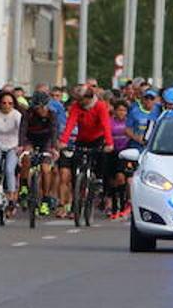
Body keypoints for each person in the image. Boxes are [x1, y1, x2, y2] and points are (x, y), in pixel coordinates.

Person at [60, 84, 115, 217]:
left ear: (88, 98)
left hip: (98, 138)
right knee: (76, 168)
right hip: (82, 138)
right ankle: (76, 202)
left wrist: (109, 143)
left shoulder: (100, 106)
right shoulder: (76, 107)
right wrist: (63, 141)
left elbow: (105, 125)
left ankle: (99, 180)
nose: (79, 102)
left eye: (81, 99)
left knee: (101, 156)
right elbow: (71, 123)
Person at [19, 91, 59, 215]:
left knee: (45, 169)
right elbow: (23, 130)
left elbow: (54, 132)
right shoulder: (28, 114)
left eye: (43, 107)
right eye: (38, 107)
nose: (41, 110)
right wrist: (21, 146)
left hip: (45, 142)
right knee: (26, 157)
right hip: (30, 139)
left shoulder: (52, 115)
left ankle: (45, 200)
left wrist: (53, 148)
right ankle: (24, 186)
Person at [107, 101, 133, 219]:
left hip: (125, 153)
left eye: (123, 110)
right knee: (112, 181)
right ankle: (113, 207)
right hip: (112, 152)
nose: (121, 112)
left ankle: (123, 206)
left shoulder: (129, 122)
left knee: (121, 178)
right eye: (119, 110)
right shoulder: (110, 122)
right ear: (115, 111)